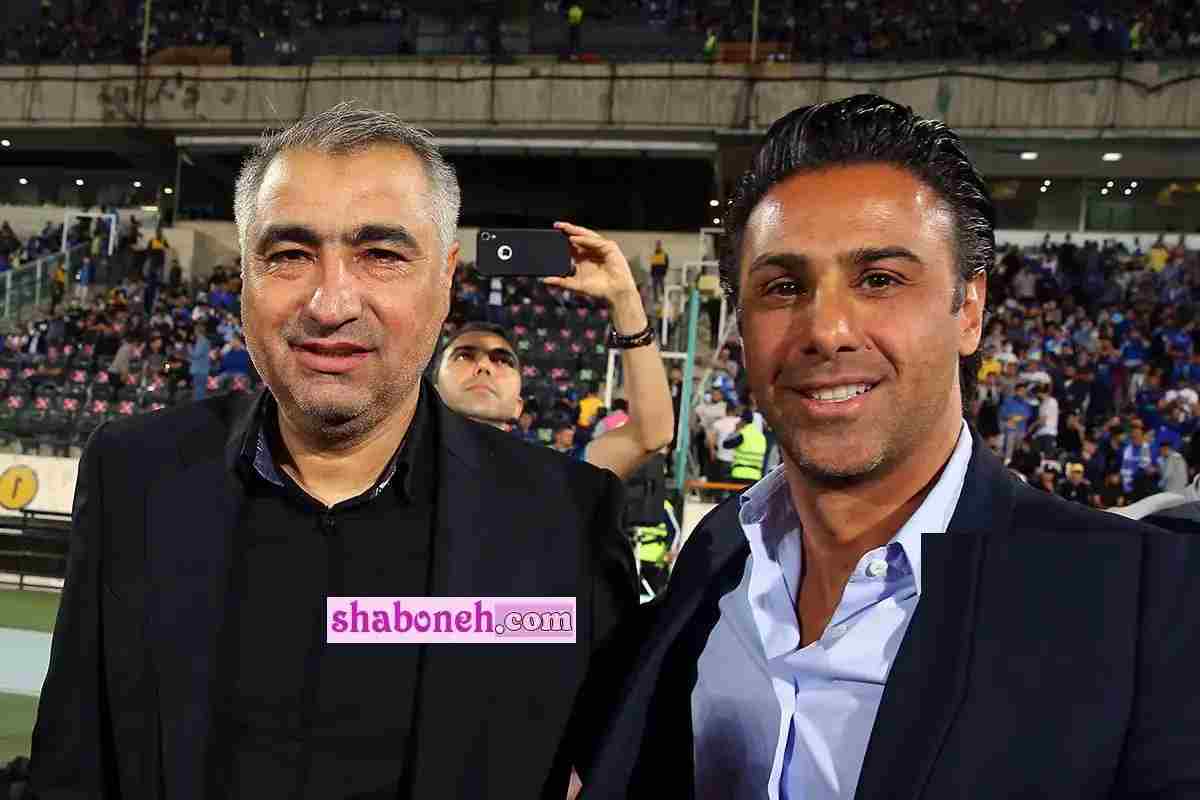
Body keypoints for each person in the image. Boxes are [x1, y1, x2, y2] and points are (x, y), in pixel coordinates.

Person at [569, 95, 1200, 799]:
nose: (826, 330)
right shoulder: (717, 555)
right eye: (783, 286)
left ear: (969, 309)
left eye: (879, 280)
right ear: (742, 325)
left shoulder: (1140, 602)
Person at [31, 103, 637, 800]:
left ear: (445, 281)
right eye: (290, 255)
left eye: (381, 255)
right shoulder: (134, 477)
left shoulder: (565, 522)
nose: (330, 303)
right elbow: (72, 766)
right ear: (244, 276)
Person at [433, 223, 673, 482]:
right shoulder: (400, 463)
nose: (484, 366)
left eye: (502, 360)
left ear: (518, 406)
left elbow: (650, 435)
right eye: (464, 356)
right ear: (434, 390)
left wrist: (624, 297)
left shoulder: (548, 479)